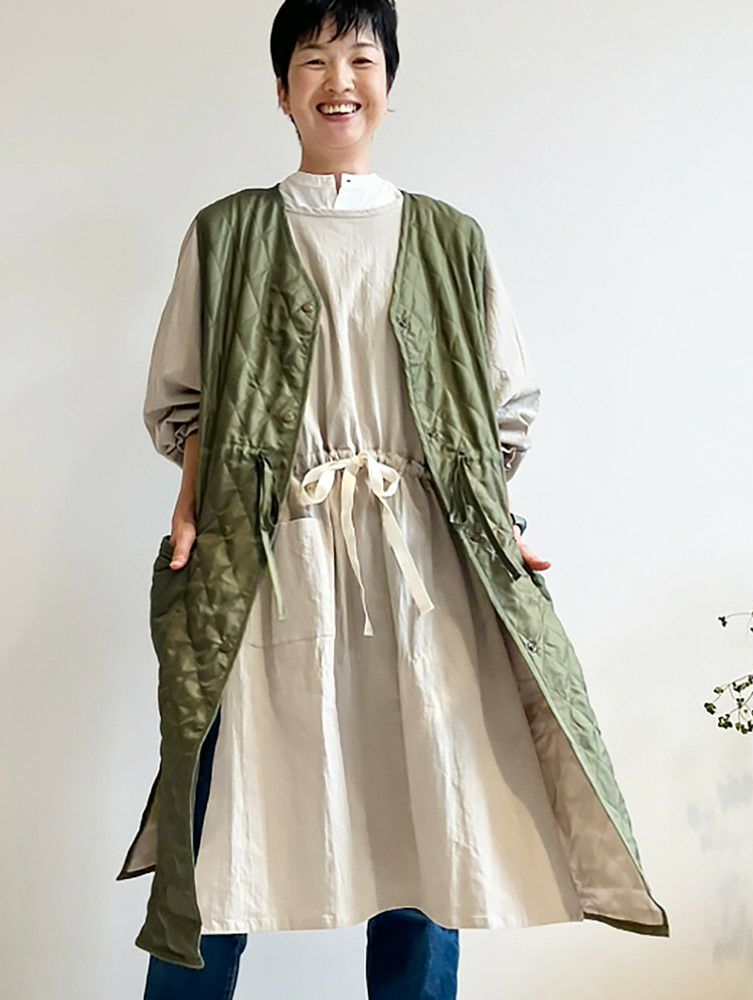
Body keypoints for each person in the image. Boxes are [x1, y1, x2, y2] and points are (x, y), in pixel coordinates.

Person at [120, 0, 669, 996]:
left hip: (420, 568)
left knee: (426, 832)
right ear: (282, 91)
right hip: (268, 558)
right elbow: (187, 401)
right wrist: (189, 509)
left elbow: (494, 412)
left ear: (388, 82)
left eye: (361, 58)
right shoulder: (228, 232)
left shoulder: (449, 239)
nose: (339, 80)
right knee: (221, 840)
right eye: (313, 60)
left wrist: (499, 526)